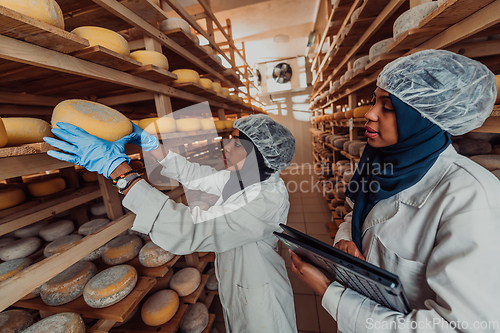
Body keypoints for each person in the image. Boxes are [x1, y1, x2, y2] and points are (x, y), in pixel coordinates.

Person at [290, 49, 500, 332]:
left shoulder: (471, 198)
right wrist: (345, 243)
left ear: (424, 117)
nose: (369, 114)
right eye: (373, 101)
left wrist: (331, 292)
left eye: (388, 107)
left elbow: (457, 326)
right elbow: (356, 216)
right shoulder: (381, 163)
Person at [44, 114, 298, 333]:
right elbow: (195, 174)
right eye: (228, 138)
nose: (226, 146)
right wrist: (152, 146)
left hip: (260, 291)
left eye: (236, 142)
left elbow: (190, 229)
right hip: (240, 281)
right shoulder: (246, 177)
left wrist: (119, 172)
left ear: (258, 154)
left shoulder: (265, 198)